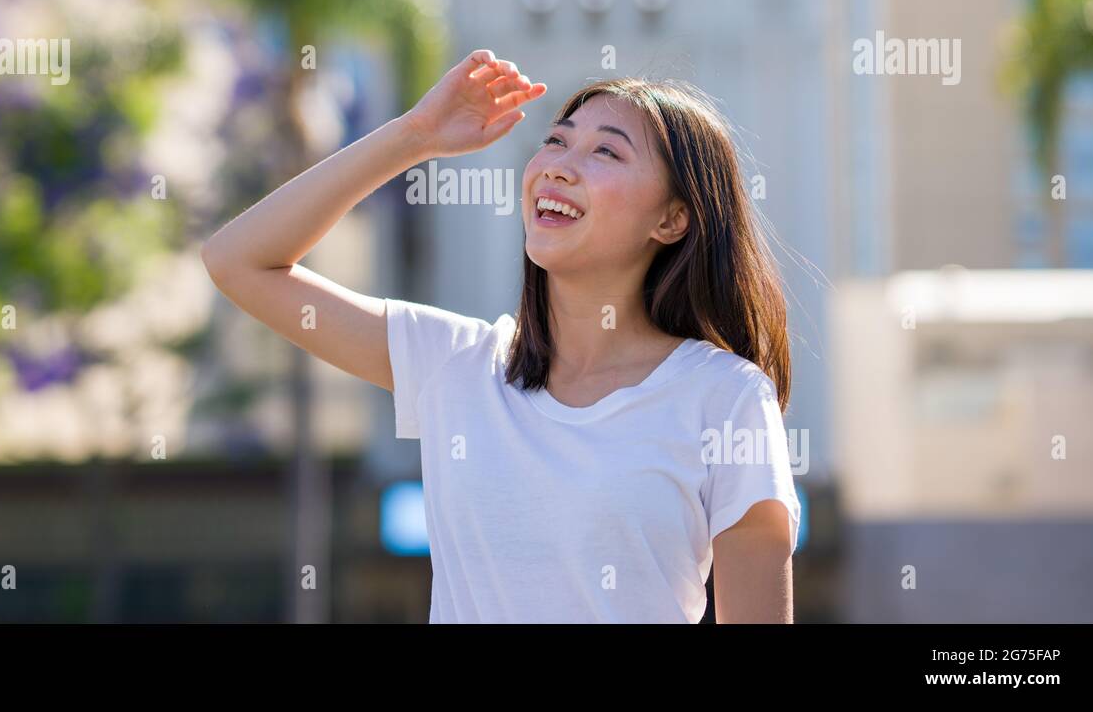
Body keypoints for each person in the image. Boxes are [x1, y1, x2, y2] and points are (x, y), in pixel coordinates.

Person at [202, 49, 801, 623]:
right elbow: (238, 261)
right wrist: (415, 136)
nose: (557, 166)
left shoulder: (725, 398)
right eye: (556, 140)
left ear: (671, 220)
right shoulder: (456, 364)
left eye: (606, 154)